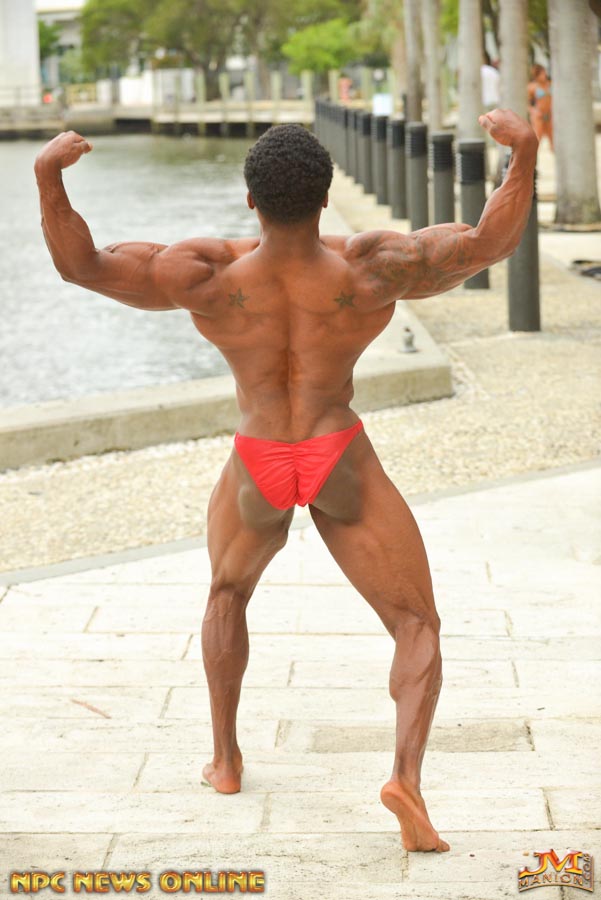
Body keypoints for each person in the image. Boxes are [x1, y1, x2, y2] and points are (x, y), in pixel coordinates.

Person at [34, 109, 538, 854]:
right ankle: (405, 780)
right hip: (336, 452)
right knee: (415, 624)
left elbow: (83, 265)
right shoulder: (374, 269)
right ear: (326, 198)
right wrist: (522, 153)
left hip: (259, 455)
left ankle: (226, 761)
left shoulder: (204, 274)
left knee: (226, 595)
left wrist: (48, 175)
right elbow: (488, 242)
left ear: (250, 200)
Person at [527, 64, 553, 151]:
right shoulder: (532, 87)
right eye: (541, 74)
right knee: (538, 137)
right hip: (538, 115)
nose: (544, 75)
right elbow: (527, 102)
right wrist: (533, 111)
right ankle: (532, 155)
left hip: (550, 114)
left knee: (552, 137)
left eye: (544, 73)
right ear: (536, 75)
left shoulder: (550, 84)